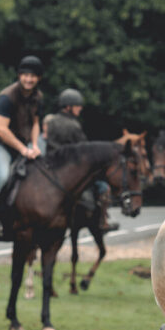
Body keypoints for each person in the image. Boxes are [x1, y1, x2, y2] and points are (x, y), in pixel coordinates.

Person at [0, 55, 44, 239]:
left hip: (23, 144)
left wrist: (36, 145)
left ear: (38, 78)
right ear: (19, 75)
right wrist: (24, 149)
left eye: (33, 76)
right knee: (1, 176)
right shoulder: (7, 97)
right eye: (25, 75)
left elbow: (36, 123)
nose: (29, 79)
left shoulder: (38, 97)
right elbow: (1, 130)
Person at [45, 88, 118, 232]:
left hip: (54, 167)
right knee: (103, 187)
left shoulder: (51, 122)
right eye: (78, 106)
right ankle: (103, 220)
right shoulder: (73, 125)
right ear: (68, 106)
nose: (80, 108)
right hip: (73, 168)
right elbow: (84, 151)